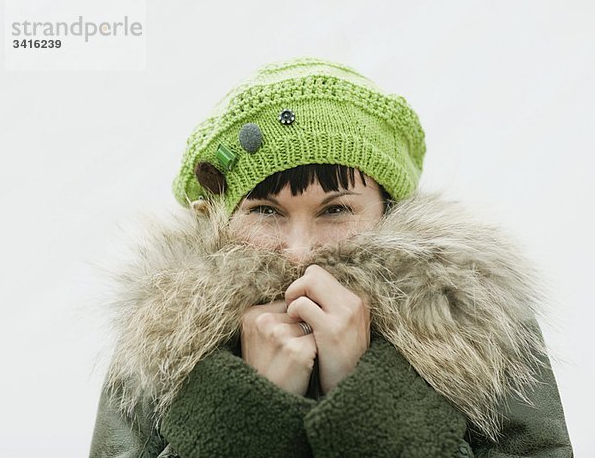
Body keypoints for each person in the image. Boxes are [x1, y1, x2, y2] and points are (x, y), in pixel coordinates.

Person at [88, 57, 573, 458]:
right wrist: (244, 415)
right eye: (265, 211)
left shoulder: (471, 318)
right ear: (216, 217)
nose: (300, 250)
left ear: (389, 209)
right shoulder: (166, 334)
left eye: (336, 209)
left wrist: (367, 398)